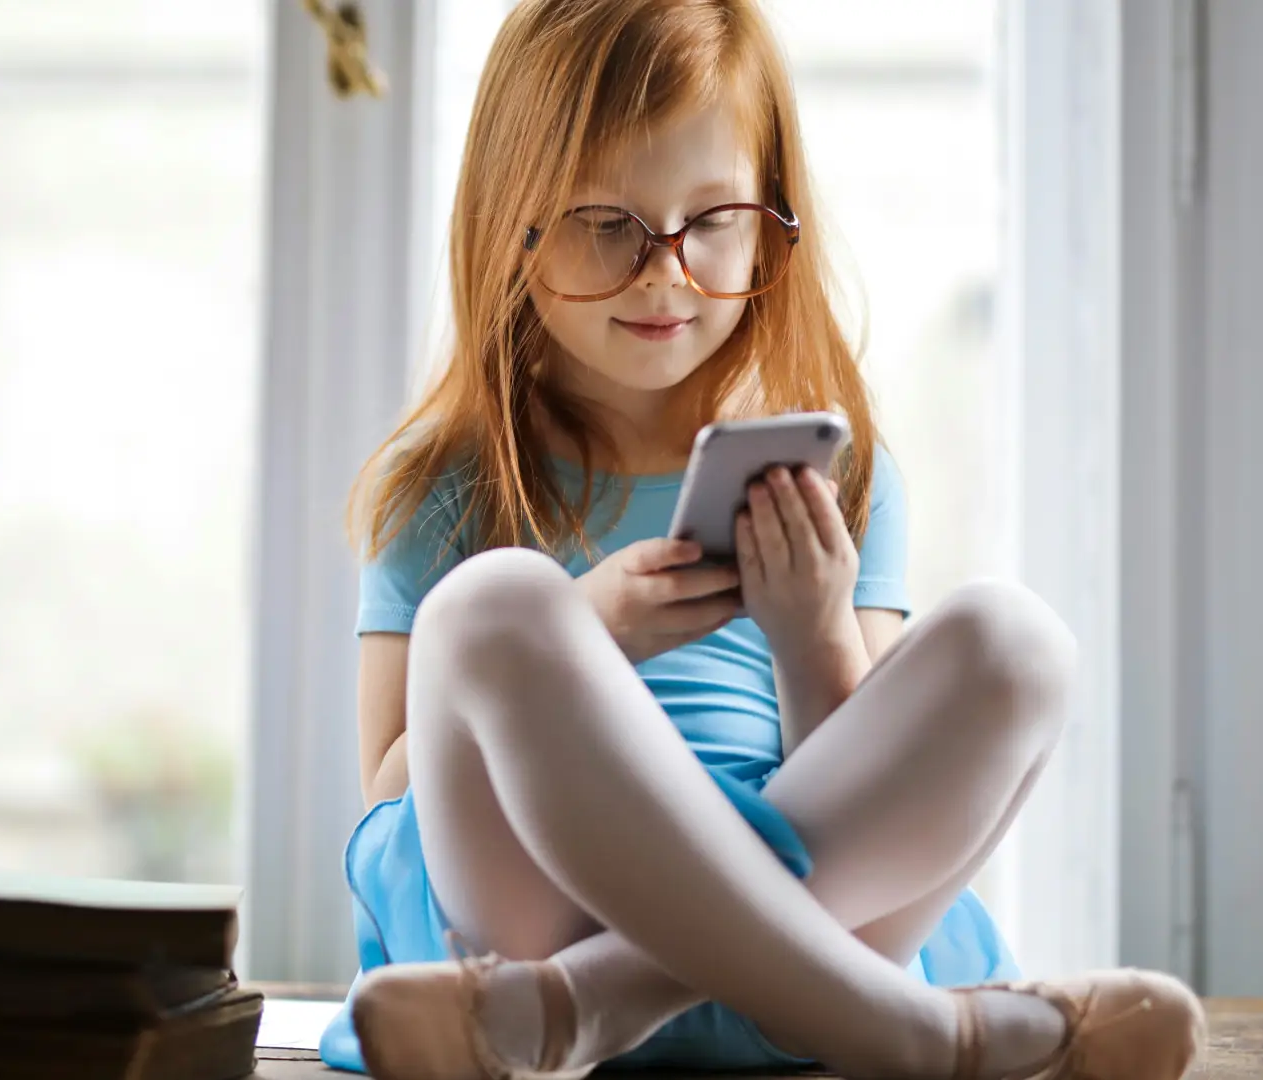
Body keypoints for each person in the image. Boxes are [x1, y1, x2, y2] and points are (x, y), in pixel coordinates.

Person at [316, 2, 1206, 1078]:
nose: (665, 274)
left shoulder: (837, 473)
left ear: (772, 219)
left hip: (736, 962)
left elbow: (880, 782)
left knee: (1020, 643)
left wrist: (814, 635)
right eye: (608, 221)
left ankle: (594, 1006)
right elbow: (390, 792)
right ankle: (922, 1038)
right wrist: (584, 632)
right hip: (533, 925)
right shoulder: (447, 486)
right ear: (517, 220)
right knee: (490, 606)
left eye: (713, 220)